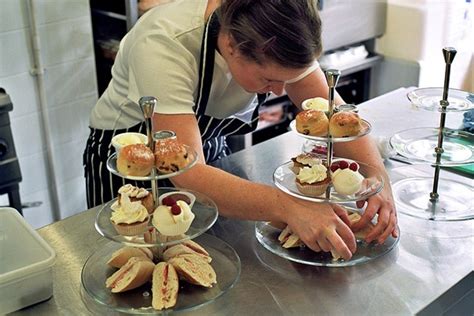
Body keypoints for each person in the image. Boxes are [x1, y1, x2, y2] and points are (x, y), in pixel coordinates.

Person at [83, 0, 398, 260]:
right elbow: (189, 174)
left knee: (209, 257)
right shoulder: (165, 43)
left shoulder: (276, 35)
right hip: (129, 162)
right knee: (135, 265)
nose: (278, 92)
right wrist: (291, 206)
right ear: (231, 45)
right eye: (269, 80)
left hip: (206, 147)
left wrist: (378, 179)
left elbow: (335, 119)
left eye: (288, 80)